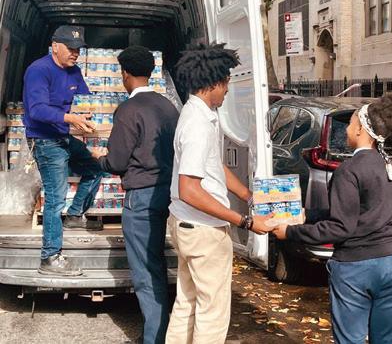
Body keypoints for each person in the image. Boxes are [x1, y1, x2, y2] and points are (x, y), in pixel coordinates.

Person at [272, 91, 392, 344]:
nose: (346, 129)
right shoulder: (387, 166)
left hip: (357, 266)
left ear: (360, 130)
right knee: (388, 338)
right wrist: (307, 215)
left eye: (350, 123)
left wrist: (290, 232)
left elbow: (341, 227)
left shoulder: (348, 170)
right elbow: (362, 212)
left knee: (350, 339)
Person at [165, 43, 272, 344]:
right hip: (204, 231)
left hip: (188, 226)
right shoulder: (198, 125)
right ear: (212, 83)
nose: (227, 90)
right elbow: (189, 189)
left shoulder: (199, 114)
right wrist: (245, 221)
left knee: (187, 303)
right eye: (225, 83)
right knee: (212, 312)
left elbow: (215, 166)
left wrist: (249, 196)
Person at [91, 46, 179, 344]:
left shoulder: (128, 110)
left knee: (145, 271)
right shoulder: (168, 107)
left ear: (125, 74)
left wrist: (99, 158)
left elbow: (117, 162)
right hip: (167, 192)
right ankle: (164, 331)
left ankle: (155, 337)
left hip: (140, 197)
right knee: (156, 262)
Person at [23, 25, 103, 277]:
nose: (75, 53)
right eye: (71, 48)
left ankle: (75, 215)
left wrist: (88, 114)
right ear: (55, 46)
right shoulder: (39, 70)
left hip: (63, 136)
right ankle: (50, 257)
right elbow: (37, 110)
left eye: (79, 49)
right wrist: (70, 118)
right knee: (55, 198)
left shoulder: (74, 71)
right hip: (45, 140)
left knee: (96, 168)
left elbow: (85, 100)